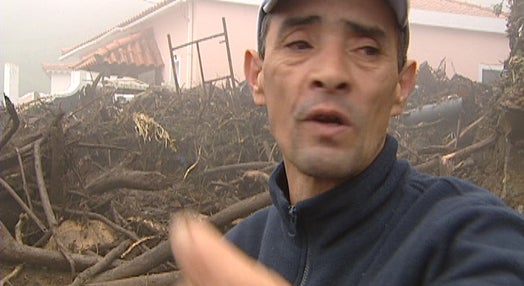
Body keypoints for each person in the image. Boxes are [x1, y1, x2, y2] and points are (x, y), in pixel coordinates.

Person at [169, 0, 524, 285]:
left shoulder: (469, 237)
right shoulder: (237, 251)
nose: (332, 73)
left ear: (402, 86)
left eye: (367, 49)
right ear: (257, 77)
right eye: (300, 43)